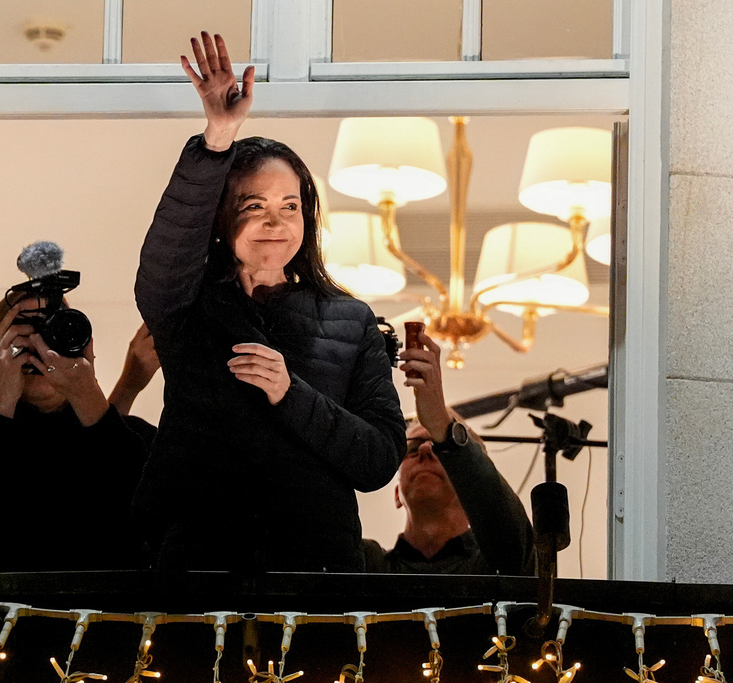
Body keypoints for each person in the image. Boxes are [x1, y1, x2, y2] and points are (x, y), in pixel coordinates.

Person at [133, 32, 405, 572]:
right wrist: (217, 138)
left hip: (316, 578)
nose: (275, 222)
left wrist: (290, 392)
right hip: (198, 571)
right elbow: (167, 254)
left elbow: (377, 460)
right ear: (220, 217)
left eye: (290, 206)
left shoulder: (351, 321)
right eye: (254, 205)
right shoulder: (186, 305)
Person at [0, 298, 160, 573]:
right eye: (23, 336)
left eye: (52, 334)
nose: (40, 349)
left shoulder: (127, 438)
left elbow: (143, 516)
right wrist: (2, 397)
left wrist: (87, 393)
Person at [362, 326, 535, 575]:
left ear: (469, 489)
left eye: (438, 445)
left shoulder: (499, 566)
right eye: (412, 448)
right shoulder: (367, 567)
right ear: (397, 494)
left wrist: (441, 424)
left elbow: (514, 545)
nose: (424, 449)